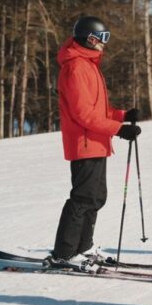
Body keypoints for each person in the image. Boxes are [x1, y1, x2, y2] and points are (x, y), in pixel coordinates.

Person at [46, 16, 141, 271]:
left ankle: (83, 247)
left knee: (96, 196)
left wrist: (122, 116)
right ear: (91, 38)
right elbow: (83, 114)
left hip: (96, 142)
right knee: (82, 198)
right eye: (103, 38)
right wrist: (119, 129)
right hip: (84, 143)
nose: (104, 44)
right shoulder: (76, 67)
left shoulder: (88, 65)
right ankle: (64, 254)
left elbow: (97, 110)